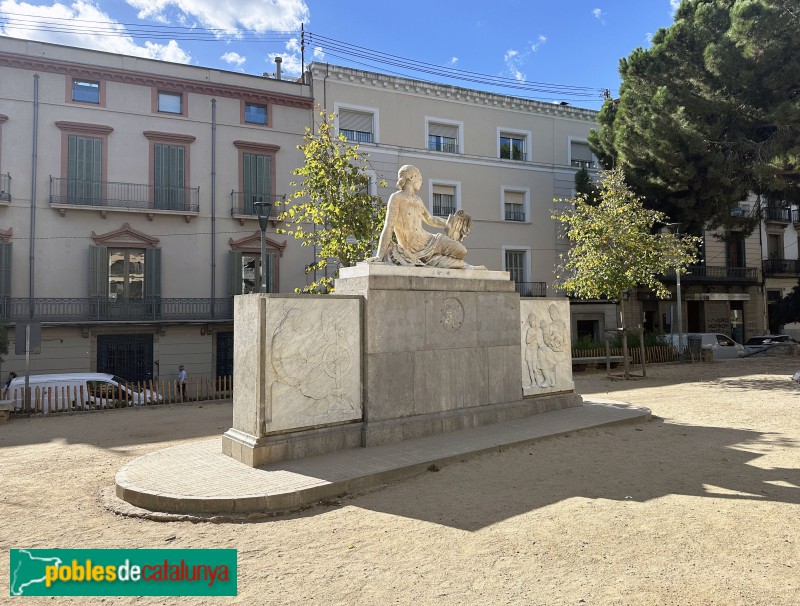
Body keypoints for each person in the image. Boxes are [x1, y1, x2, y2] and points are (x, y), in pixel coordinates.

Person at [371, 165, 485, 269]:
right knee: (455, 254)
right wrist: (379, 256)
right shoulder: (396, 198)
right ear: (411, 177)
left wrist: (450, 225)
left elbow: (430, 219)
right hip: (414, 249)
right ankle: (465, 266)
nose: (421, 182)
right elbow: (388, 227)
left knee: (461, 251)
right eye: (420, 178)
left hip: (431, 240)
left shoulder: (418, 200)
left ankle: (461, 265)